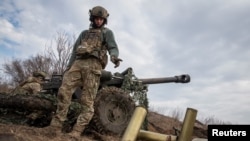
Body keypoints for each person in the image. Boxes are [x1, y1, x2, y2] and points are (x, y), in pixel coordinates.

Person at [49, 5, 122, 136]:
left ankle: (76, 131)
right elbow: (74, 51)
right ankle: (55, 126)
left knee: (87, 101)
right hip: (78, 64)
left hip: (94, 66)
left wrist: (114, 57)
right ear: (92, 19)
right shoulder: (84, 33)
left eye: (101, 19)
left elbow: (113, 47)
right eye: (96, 19)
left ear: (104, 20)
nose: (98, 21)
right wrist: (68, 67)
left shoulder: (107, 33)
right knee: (63, 91)